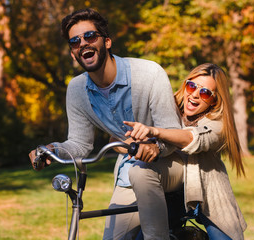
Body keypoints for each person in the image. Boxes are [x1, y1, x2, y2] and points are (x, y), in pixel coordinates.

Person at [28, 8, 183, 239]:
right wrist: (52, 149)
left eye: (90, 36)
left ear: (107, 42)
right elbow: (80, 144)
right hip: (128, 173)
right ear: (73, 53)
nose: (82, 43)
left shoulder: (149, 73)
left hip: (171, 164)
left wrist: (156, 147)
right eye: (75, 41)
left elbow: (172, 132)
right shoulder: (77, 89)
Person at [124, 63, 247, 240]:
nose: (195, 95)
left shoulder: (219, 124)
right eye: (192, 86)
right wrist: (136, 141)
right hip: (167, 195)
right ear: (185, 84)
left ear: (214, 100)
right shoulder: (166, 109)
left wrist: (156, 132)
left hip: (206, 193)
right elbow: (128, 137)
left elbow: (193, 139)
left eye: (205, 93)